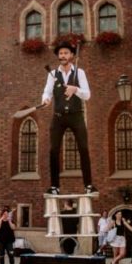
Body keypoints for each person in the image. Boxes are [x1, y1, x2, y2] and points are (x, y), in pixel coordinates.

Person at [42, 39, 93, 195]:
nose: (63, 55)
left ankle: (88, 185)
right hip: (58, 117)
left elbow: (87, 95)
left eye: (66, 53)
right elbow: (47, 91)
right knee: (53, 150)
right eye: (60, 53)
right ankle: (55, 186)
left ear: (71, 55)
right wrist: (45, 99)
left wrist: (75, 89)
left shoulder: (80, 73)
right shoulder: (52, 74)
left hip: (76, 116)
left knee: (83, 148)